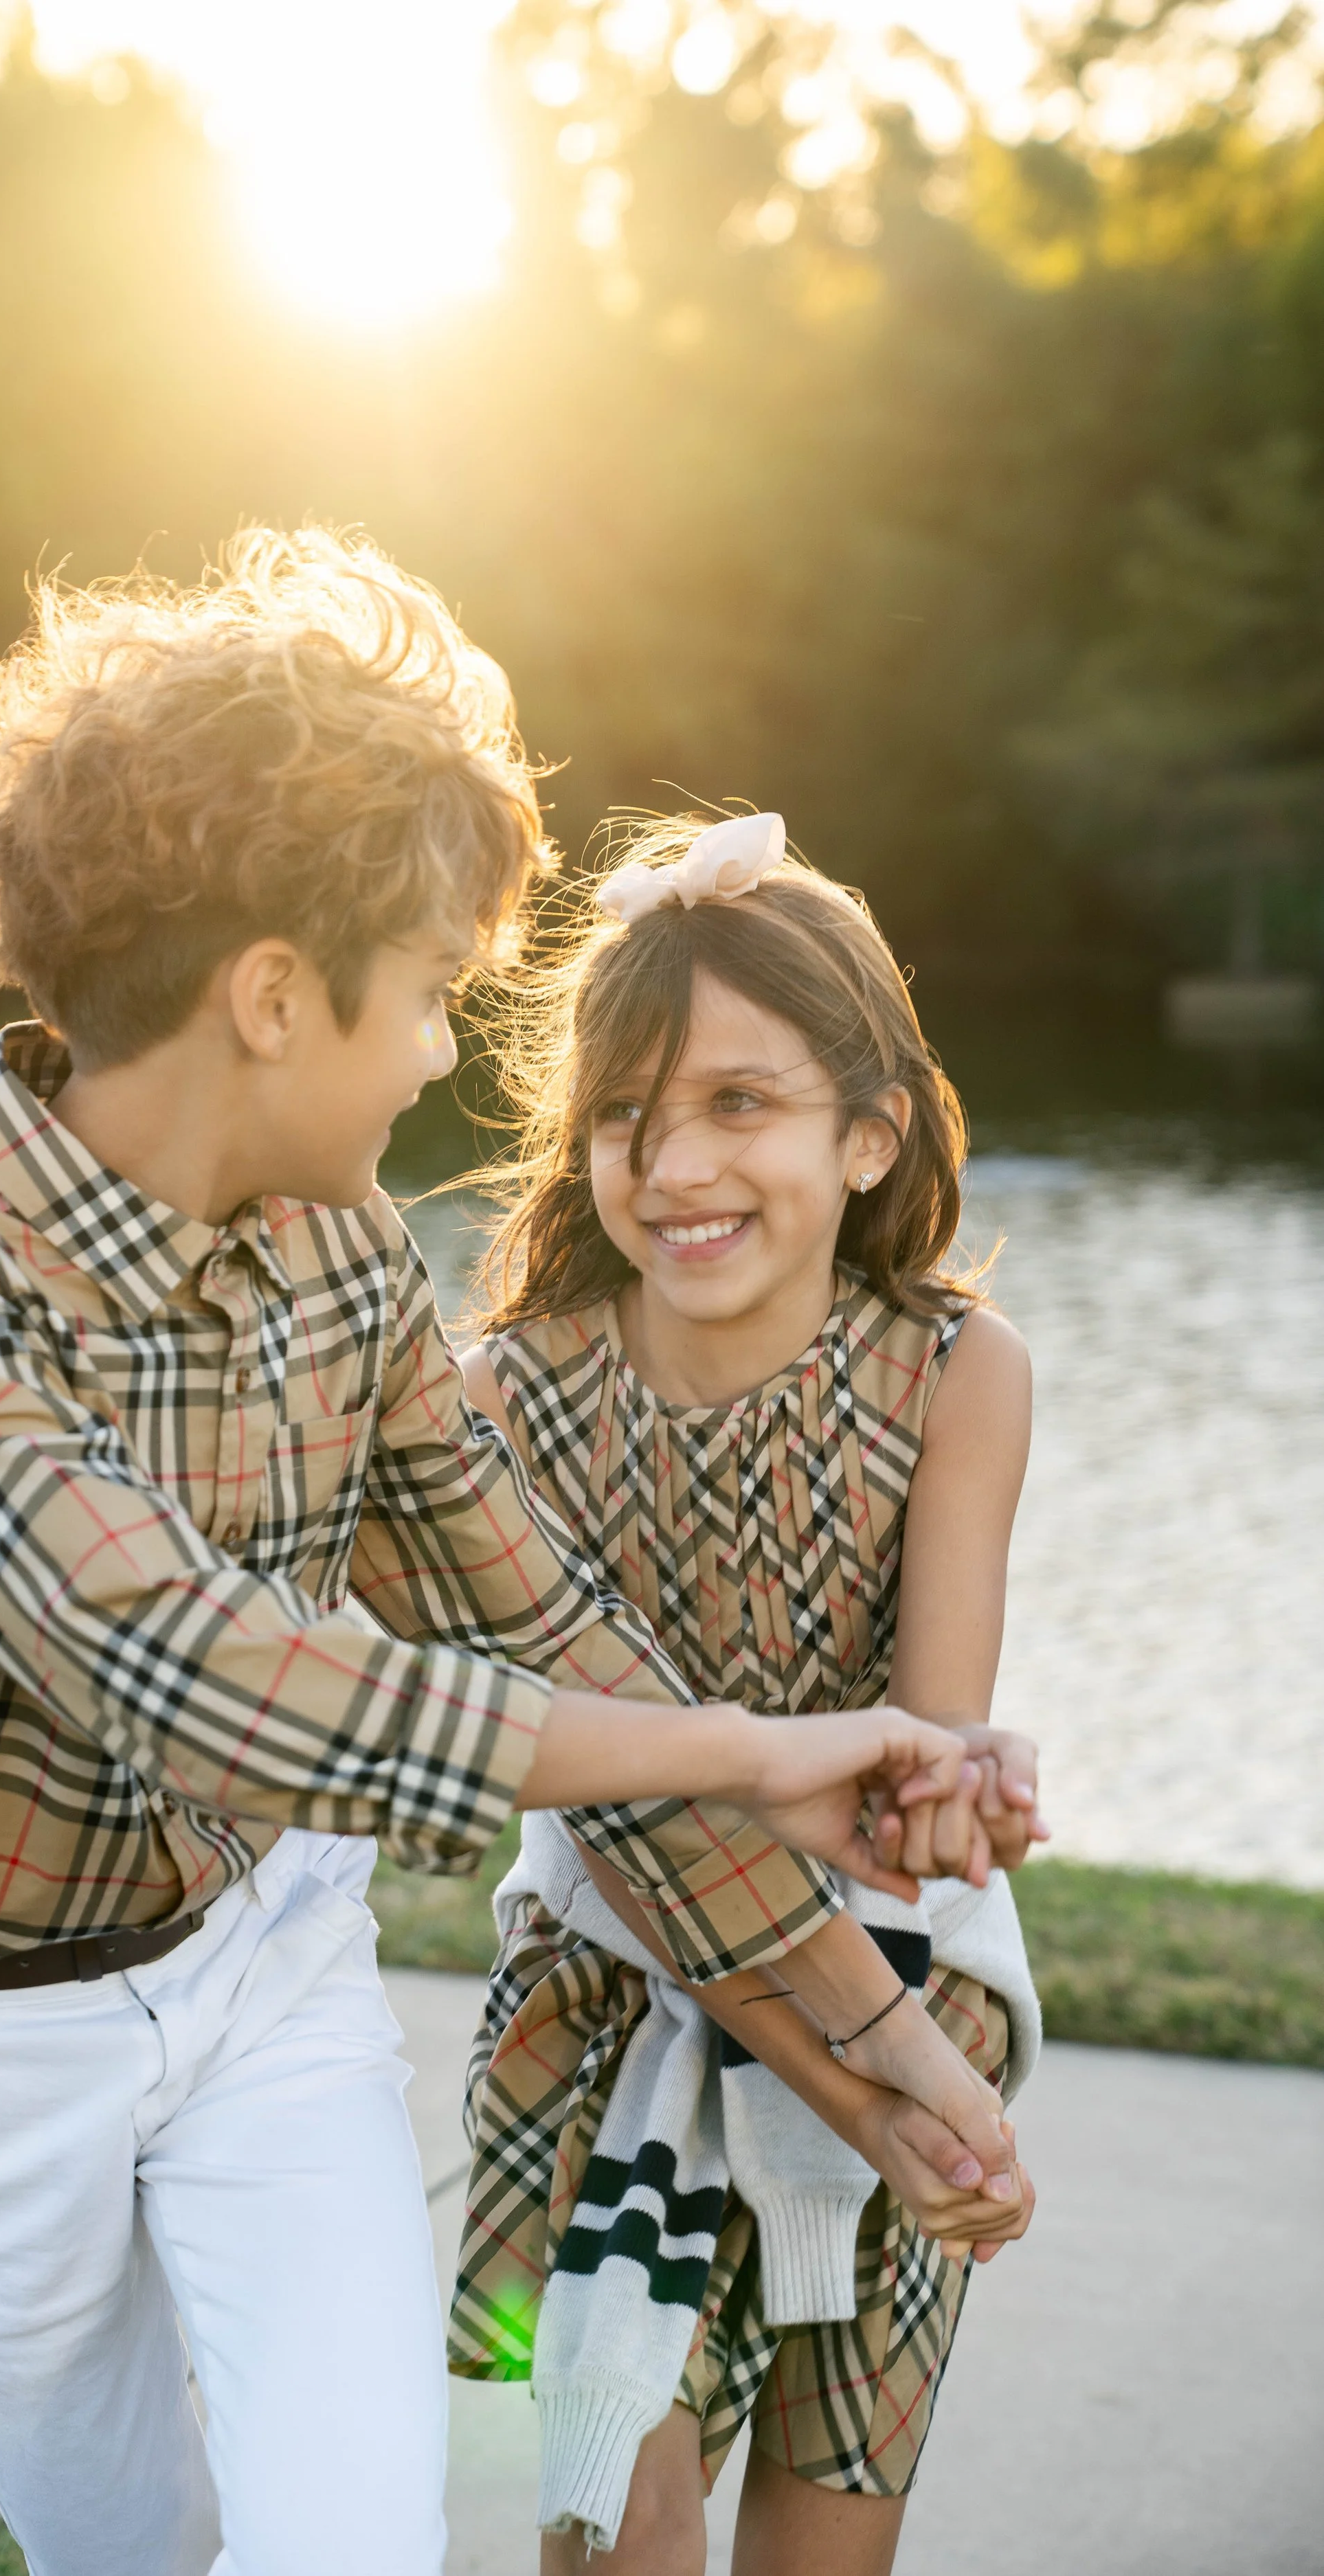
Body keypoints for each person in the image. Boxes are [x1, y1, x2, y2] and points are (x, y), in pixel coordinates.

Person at [0, 532, 1015, 2576]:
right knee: (130, 2540)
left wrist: (882, 2056)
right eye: (435, 990)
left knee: (348, 2537)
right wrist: (739, 1749)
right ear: (273, 996)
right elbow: (221, 1673)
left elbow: (553, 1636)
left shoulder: (342, 1257)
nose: (453, 1055)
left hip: (267, 1971)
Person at [449, 810, 1044, 2575]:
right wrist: (891, 2077)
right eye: (623, 1113)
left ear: (865, 1137)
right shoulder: (508, 1405)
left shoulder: (955, 1373)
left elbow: (911, 1796)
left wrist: (960, 1798)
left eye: (737, 1104)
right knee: (612, 2525)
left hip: (899, 1981)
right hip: (606, 2024)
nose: (672, 1161)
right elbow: (614, 1814)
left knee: (828, 2525)